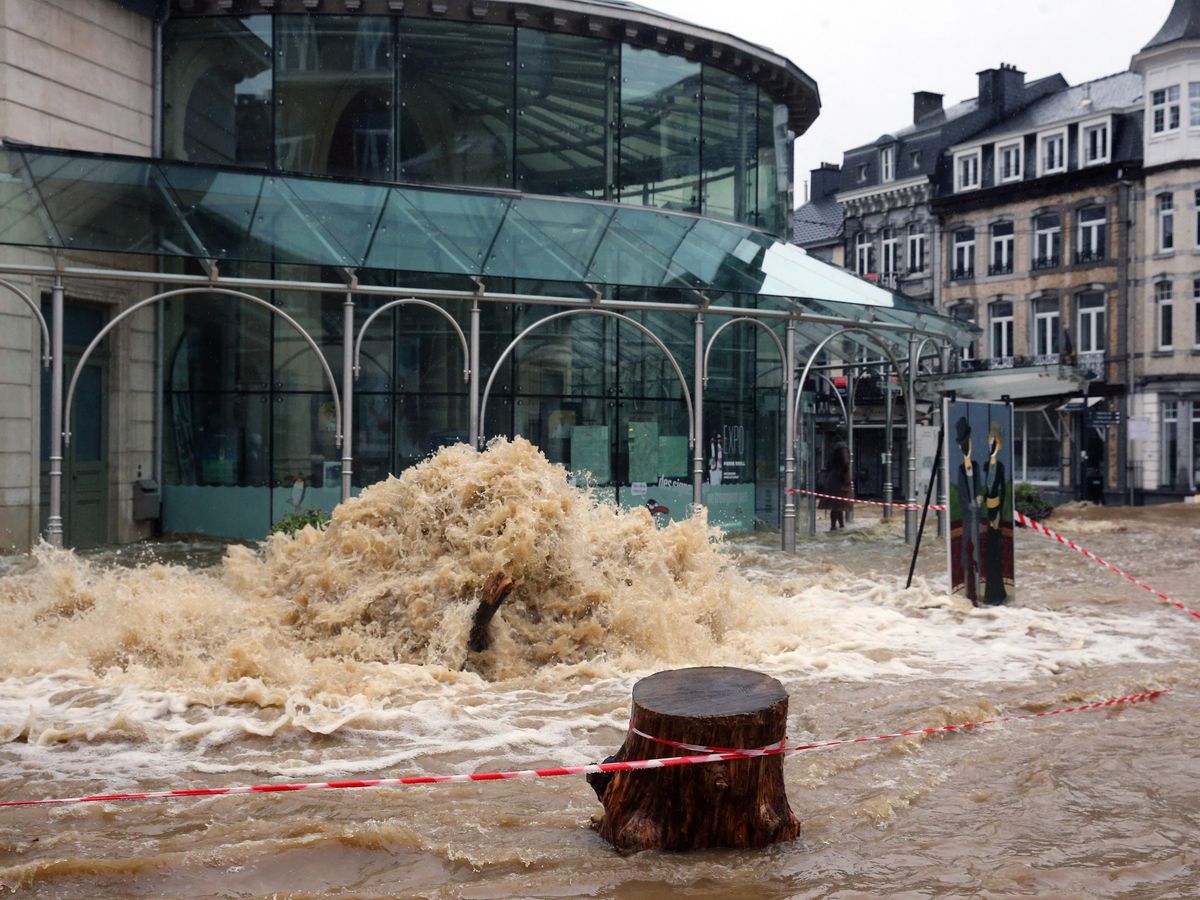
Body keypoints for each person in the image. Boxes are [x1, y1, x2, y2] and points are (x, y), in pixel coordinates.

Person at [955, 416, 982, 604]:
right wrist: (968, 505)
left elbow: (979, 487)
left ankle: (979, 588)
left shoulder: (977, 467)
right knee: (967, 548)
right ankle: (968, 590)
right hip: (967, 516)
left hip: (978, 515)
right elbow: (960, 495)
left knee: (978, 549)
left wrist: (979, 498)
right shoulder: (959, 469)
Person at [982, 421, 1008, 605]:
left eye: (994, 442)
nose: (992, 445)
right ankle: (989, 591)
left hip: (996, 508)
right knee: (988, 550)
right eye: (990, 442)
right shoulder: (986, 465)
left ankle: (997, 592)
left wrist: (999, 512)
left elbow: (1003, 489)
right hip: (987, 507)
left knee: (994, 548)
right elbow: (984, 488)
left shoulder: (1000, 467)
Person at [825, 430, 852, 531]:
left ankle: (836, 526)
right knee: (838, 504)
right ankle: (837, 526)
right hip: (839, 478)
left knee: (836, 504)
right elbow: (846, 462)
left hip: (835, 478)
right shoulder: (842, 447)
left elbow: (844, 462)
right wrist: (844, 474)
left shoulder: (836, 448)